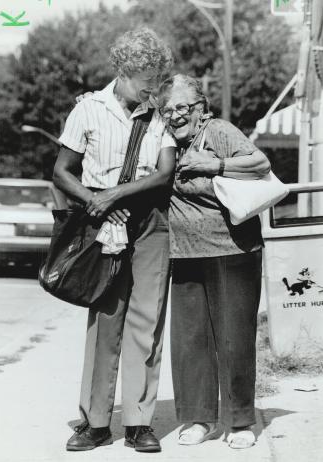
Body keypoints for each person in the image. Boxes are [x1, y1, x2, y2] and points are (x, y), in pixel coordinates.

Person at [53, 28, 176, 453]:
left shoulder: (158, 114)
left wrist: (116, 195)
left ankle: (140, 422)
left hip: (149, 223)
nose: (154, 84)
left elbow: (163, 174)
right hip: (101, 223)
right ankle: (96, 421)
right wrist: (96, 201)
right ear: (125, 69)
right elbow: (62, 171)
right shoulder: (88, 110)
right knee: (105, 318)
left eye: (158, 75)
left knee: (147, 321)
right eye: (147, 75)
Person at [157, 74, 271, 449]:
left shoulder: (218, 132)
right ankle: (198, 419)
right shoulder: (166, 141)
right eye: (168, 109)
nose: (174, 115)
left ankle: (240, 422)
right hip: (185, 252)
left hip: (232, 249)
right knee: (190, 341)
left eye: (182, 108)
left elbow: (259, 163)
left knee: (235, 339)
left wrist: (215, 167)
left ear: (201, 109)